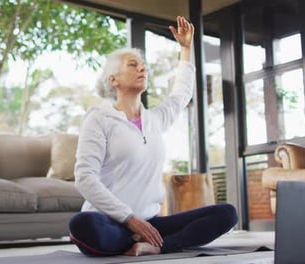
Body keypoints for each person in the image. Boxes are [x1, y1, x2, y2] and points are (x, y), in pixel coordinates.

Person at [69, 16, 238, 257]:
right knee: (82, 224)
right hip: (110, 221)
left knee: (227, 213)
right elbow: (85, 178)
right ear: (113, 79)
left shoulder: (155, 120)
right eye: (132, 64)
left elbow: (181, 94)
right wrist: (129, 220)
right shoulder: (98, 118)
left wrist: (186, 49)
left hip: (150, 225)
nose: (142, 68)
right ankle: (132, 241)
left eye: (143, 65)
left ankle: (156, 246)